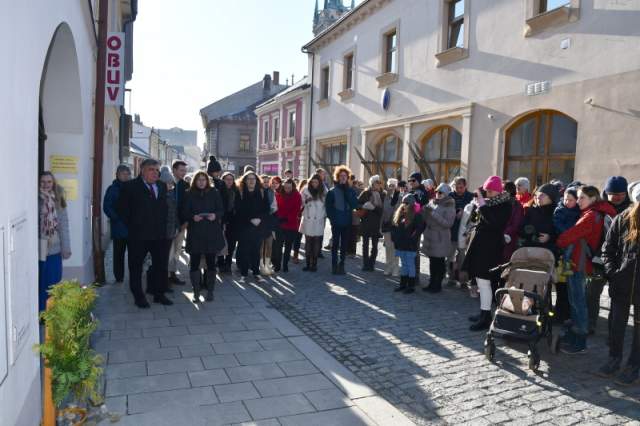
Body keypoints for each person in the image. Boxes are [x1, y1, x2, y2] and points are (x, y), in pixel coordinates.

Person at [556, 185, 617, 354]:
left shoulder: (591, 215)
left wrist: (559, 241)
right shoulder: (600, 212)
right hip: (584, 262)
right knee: (578, 300)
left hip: (580, 263)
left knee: (578, 302)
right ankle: (576, 333)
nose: (578, 201)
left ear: (593, 198)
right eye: (578, 197)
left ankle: (579, 341)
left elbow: (569, 236)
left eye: (582, 197)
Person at [598, 181, 640, 385]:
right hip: (621, 282)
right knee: (616, 324)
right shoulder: (623, 218)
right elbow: (608, 248)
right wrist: (612, 272)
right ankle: (614, 358)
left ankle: (634, 365)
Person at [117, 159, 172, 308]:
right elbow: (122, 210)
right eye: (151, 169)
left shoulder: (161, 186)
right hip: (138, 236)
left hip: (159, 235)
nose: (155, 173)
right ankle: (138, 296)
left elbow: (164, 208)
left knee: (160, 265)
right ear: (142, 170)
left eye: (157, 170)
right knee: (136, 267)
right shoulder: (130, 187)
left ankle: (159, 294)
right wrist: (134, 227)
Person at [463, 176, 512, 331]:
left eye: (490, 191)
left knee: (485, 282)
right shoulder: (488, 202)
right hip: (480, 246)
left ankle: (486, 317)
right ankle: (484, 312)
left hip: (490, 248)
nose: (487, 193)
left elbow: (495, 223)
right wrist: (477, 206)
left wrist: (483, 205)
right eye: (486, 191)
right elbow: (478, 220)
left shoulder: (505, 205)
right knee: (480, 281)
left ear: (498, 191)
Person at [587, 176, 632, 334]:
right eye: (614, 194)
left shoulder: (632, 210)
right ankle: (590, 323)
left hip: (622, 262)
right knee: (592, 293)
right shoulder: (598, 209)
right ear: (607, 193)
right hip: (598, 259)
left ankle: (614, 331)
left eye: (621, 194)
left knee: (618, 298)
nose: (617, 197)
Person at [182, 171, 224, 302]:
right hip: (195, 233)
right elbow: (184, 212)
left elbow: (221, 210)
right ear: (195, 181)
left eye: (203, 180)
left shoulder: (214, 192)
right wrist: (192, 217)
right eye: (199, 180)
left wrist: (215, 215)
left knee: (211, 263)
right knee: (194, 263)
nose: (201, 182)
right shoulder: (189, 193)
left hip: (211, 232)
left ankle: (210, 291)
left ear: (207, 181)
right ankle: (196, 291)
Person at [38, 172, 71, 311]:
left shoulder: (58, 200)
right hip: (39, 249)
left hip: (54, 249)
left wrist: (66, 247)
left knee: (54, 283)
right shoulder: (35, 200)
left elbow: (63, 225)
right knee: (40, 284)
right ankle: (41, 314)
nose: (46, 185)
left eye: (49, 182)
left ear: (53, 183)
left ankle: (51, 314)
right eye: (43, 182)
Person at [235, 172, 271, 281]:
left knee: (256, 250)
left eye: (254, 179)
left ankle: (256, 272)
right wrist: (250, 219)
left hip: (258, 227)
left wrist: (259, 219)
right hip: (244, 226)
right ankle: (244, 273)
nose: (251, 181)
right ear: (245, 181)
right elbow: (238, 210)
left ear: (257, 181)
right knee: (244, 250)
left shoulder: (262, 192)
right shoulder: (240, 192)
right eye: (249, 179)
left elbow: (266, 209)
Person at [553, 185, 581, 323]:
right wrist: (569, 234)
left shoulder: (579, 212)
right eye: (565, 199)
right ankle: (559, 314)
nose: (567, 202)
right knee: (561, 285)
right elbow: (558, 227)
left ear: (576, 200)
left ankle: (568, 314)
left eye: (570, 200)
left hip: (573, 254)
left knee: (570, 286)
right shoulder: (559, 210)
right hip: (561, 252)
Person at [422, 183, 456, 293]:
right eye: (436, 191)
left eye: (440, 192)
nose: (437, 194)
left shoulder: (449, 205)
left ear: (446, 194)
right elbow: (426, 219)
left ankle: (437, 285)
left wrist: (433, 213)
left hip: (441, 237)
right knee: (432, 261)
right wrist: (424, 211)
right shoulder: (432, 202)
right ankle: (431, 283)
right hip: (431, 236)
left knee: (439, 262)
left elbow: (448, 224)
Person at [326, 165, 358, 274]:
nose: (343, 177)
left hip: (347, 222)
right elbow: (328, 208)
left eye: (345, 176)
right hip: (336, 222)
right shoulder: (332, 191)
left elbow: (354, 205)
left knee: (344, 245)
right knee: (335, 244)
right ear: (338, 177)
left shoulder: (351, 191)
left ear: (347, 177)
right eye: (341, 176)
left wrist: (347, 191)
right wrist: (332, 219)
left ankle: (342, 264)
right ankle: (334, 265)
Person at [391, 194, 425, 293]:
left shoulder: (416, 215)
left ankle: (411, 286)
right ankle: (403, 284)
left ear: (411, 204)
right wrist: (395, 239)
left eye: (406, 203)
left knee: (410, 265)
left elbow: (419, 229)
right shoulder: (400, 214)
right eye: (403, 203)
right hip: (401, 244)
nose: (404, 205)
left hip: (410, 245)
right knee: (404, 264)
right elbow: (395, 228)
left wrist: (412, 239)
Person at [103, 164, 131, 283]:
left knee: (133, 254)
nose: (126, 176)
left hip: (132, 227)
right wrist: (116, 218)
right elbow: (107, 206)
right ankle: (119, 277)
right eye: (124, 174)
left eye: (128, 174)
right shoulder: (112, 189)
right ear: (117, 175)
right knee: (118, 253)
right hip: (119, 227)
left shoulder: (132, 188)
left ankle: (133, 275)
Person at [272, 179, 303, 272]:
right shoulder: (278, 194)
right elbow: (276, 207)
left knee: (288, 246)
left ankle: (285, 264)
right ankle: (277, 265)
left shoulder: (297, 195)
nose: (287, 189)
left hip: (291, 224)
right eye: (285, 187)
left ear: (293, 187)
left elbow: (296, 210)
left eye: (289, 187)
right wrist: (279, 217)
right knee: (278, 246)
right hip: (279, 224)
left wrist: (286, 218)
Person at [520, 183, 559, 254]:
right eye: (538, 194)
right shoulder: (531, 210)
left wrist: (549, 237)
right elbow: (521, 229)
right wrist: (529, 232)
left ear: (551, 198)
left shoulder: (557, 212)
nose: (538, 197)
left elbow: (559, 233)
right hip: (530, 250)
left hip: (548, 252)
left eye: (542, 195)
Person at [449, 177, 474, 284]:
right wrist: (455, 212)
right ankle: (451, 278)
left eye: (461, 187)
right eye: (457, 187)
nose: (459, 190)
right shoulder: (450, 196)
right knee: (450, 257)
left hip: (464, 233)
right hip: (452, 230)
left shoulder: (471, 196)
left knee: (462, 258)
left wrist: (465, 211)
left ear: (465, 186)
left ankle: (462, 280)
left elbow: (474, 214)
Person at [159, 166, 179, 294]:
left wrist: (176, 226)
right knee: (162, 259)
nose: (171, 185)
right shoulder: (160, 196)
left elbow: (174, 213)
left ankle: (164, 282)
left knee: (167, 257)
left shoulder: (170, 195)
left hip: (170, 231)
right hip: (162, 232)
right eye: (169, 183)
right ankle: (162, 283)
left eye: (172, 183)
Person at [300, 174, 326, 272]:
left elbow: (327, 204)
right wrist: (307, 200)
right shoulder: (305, 190)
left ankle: (314, 264)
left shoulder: (324, 191)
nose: (314, 184)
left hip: (319, 218)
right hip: (308, 218)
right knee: (308, 241)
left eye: (316, 182)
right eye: (313, 182)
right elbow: (300, 202)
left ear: (319, 182)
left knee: (316, 241)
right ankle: (307, 264)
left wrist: (323, 215)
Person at [358, 175, 385, 271]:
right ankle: (365, 264)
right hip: (366, 222)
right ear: (372, 183)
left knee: (375, 245)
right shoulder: (365, 193)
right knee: (365, 244)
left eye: (379, 182)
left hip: (377, 223)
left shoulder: (383, 194)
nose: (379, 184)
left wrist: (374, 208)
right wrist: (364, 205)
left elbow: (383, 210)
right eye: (377, 182)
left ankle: (372, 263)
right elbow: (357, 204)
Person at [168, 160, 189, 286]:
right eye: (181, 170)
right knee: (168, 251)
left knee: (177, 250)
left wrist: (186, 222)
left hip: (182, 224)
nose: (184, 173)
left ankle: (173, 274)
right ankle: (166, 276)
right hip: (169, 225)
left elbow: (188, 206)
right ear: (174, 170)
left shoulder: (186, 185)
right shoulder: (166, 183)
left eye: (185, 170)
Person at [219, 172, 239, 273]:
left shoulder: (236, 191)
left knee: (231, 244)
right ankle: (220, 263)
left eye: (231, 179)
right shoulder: (219, 191)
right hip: (221, 220)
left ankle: (228, 263)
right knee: (221, 243)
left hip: (234, 221)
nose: (229, 181)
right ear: (223, 180)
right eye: (227, 179)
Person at [382, 178, 401, 277]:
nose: (391, 187)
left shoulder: (400, 197)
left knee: (395, 248)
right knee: (388, 248)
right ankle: (388, 266)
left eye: (393, 185)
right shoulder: (385, 197)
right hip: (386, 226)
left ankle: (395, 268)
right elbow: (383, 212)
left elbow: (398, 210)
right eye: (390, 185)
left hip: (395, 226)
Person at [291, 179, 308, 264]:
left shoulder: (309, 195)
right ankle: (295, 255)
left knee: (308, 238)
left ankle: (309, 255)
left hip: (307, 219)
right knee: (297, 238)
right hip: (298, 219)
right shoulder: (297, 195)